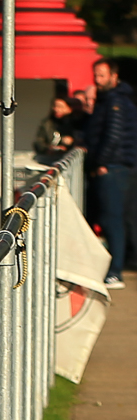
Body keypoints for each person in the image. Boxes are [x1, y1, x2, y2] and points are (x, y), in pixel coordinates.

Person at [82, 59, 137, 288]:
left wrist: (100, 163)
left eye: (102, 75)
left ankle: (115, 272)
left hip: (113, 168)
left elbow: (112, 136)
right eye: (95, 75)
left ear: (114, 76)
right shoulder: (111, 100)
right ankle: (115, 269)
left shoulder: (115, 101)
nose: (97, 80)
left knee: (111, 219)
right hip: (115, 166)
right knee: (113, 219)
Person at [35, 96, 80, 164]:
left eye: (60, 107)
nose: (56, 109)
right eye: (55, 106)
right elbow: (38, 142)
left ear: (69, 109)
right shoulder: (47, 124)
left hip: (69, 162)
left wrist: (71, 142)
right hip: (48, 161)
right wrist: (48, 149)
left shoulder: (75, 124)